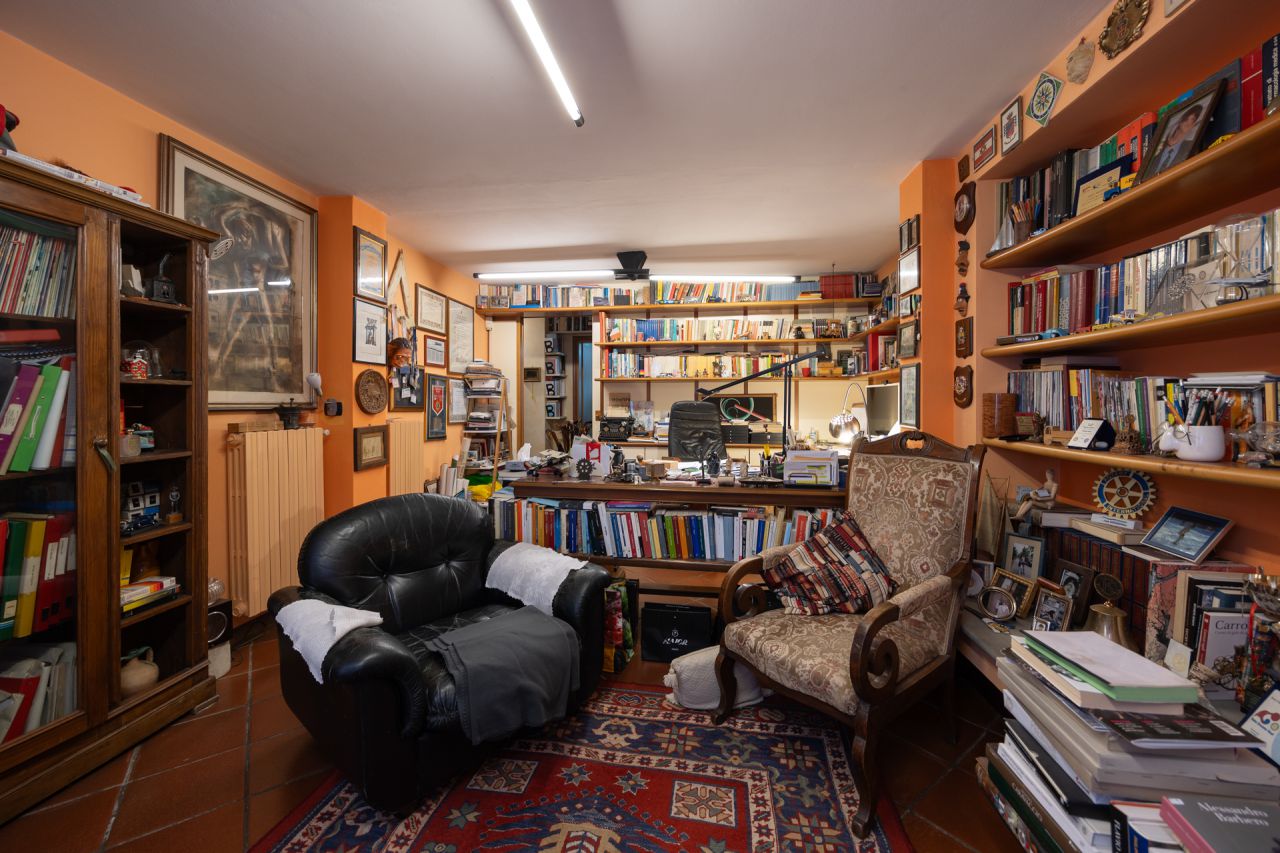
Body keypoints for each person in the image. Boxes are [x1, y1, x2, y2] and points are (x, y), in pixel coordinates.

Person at [1148, 102, 1205, 177]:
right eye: (1187, 118)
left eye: (1193, 120)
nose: (1188, 122)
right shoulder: (1154, 156)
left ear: (1195, 125)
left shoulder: (1192, 148)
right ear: (1181, 119)